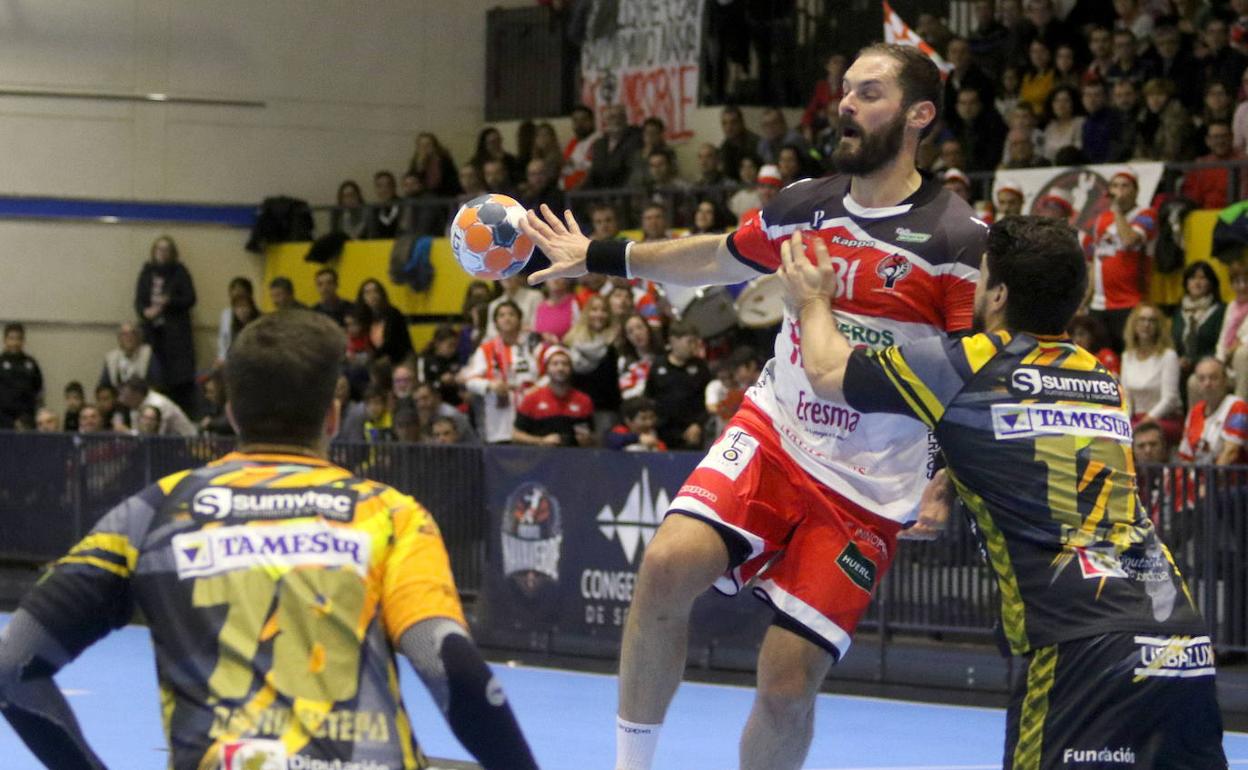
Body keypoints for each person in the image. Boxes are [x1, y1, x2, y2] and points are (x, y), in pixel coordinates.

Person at [520, 43, 988, 770]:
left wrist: (941, 479)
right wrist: (602, 254)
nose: (847, 105)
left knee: (786, 685)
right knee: (666, 566)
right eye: (845, 91)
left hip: (868, 486)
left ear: (919, 114)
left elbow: (970, 372)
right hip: (776, 434)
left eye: (869, 93)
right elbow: (714, 258)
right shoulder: (806, 204)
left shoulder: (958, 240)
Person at [776, 215, 1225, 769]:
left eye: (982, 276)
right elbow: (1029, 445)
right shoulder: (1100, 381)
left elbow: (825, 370)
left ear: (1000, 295)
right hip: (1181, 643)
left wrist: (814, 300)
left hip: (1077, 646)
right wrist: (944, 483)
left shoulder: (964, 364)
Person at [0, 310, 539, 770]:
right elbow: (450, 665)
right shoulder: (390, 515)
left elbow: (13, 666)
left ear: (231, 411)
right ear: (332, 412)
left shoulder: (150, 512)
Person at [1082, 169, 1156, 353]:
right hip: (1099, 305)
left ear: (1136, 191)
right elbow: (1095, 263)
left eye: (1125, 185)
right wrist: (1084, 301)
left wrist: (1116, 210)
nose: (1119, 190)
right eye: (1115, 186)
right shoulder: (1101, 220)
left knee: (1127, 356)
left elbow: (1129, 240)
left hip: (1130, 303)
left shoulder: (1147, 214)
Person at [133, 235, 197, 413]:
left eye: (166, 249)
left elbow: (190, 299)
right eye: (159, 249)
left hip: (176, 338)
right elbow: (139, 300)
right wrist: (145, 312)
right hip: (152, 334)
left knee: (177, 382)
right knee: (154, 378)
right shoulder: (147, 272)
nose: (162, 253)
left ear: (173, 253)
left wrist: (168, 302)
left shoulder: (180, 271)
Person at [459, 301, 537, 444]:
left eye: (511, 314)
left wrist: (536, 389)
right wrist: (490, 385)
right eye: (502, 315)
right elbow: (470, 380)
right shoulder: (486, 349)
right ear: (495, 322)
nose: (507, 318)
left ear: (519, 319)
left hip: (531, 409)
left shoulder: (531, 345)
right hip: (500, 415)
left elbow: (545, 374)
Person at [1119, 303, 1184, 441]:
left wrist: (1146, 421)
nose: (1146, 324)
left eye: (1152, 321)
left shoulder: (1168, 356)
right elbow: (1127, 397)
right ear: (1134, 325)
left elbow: (1170, 399)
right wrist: (1125, 420)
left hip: (1164, 419)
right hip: (1137, 418)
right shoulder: (1127, 356)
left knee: (1142, 435)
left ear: (1158, 327)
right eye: (1142, 320)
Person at [513, 346, 596, 447]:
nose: (560, 368)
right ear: (546, 368)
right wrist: (541, 441)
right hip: (540, 459)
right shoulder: (531, 399)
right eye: (555, 364)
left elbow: (592, 437)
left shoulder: (584, 401)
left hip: (573, 459)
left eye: (565, 364)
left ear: (571, 369)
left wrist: (587, 441)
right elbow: (516, 435)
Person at [1173, 261, 1226, 406]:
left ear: (1211, 283)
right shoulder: (1179, 313)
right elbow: (1173, 344)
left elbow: (1221, 344)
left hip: (1210, 366)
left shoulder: (1221, 311)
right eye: (1193, 278)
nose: (1197, 282)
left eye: (1202, 278)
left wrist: (1193, 361)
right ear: (1186, 283)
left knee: (1193, 381)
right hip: (1181, 367)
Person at [1178, 356, 1248, 465]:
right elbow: (1186, 457)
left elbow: (1231, 453)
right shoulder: (1195, 412)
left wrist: (1208, 481)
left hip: (1231, 479)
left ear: (1225, 380)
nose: (1207, 383)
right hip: (1201, 476)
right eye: (1202, 379)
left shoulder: (1237, 406)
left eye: (1213, 378)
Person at [356, 278, 414, 365]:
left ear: (382, 294)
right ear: (362, 298)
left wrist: (371, 357)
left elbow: (392, 345)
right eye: (367, 292)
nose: (372, 295)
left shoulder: (393, 314)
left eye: (375, 291)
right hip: (379, 363)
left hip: (400, 360)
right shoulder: (364, 318)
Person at [116, 377, 196, 438]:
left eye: (124, 395)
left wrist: (127, 432)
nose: (121, 400)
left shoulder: (158, 405)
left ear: (137, 394)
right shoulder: (134, 406)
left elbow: (157, 437)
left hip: (186, 442)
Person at [0, 322, 43, 430]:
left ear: (23, 341)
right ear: (5, 340)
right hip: (3, 418)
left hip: (27, 418)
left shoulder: (31, 363)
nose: (15, 342)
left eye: (18, 339)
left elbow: (38, 389)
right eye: (11, 338)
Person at [99, 321, 161, 392]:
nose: (129, 337)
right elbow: (103, 386)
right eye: (124, 334)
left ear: (138, 337)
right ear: (119, 339)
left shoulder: (147, 354)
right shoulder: (111, 357)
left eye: (132, 333)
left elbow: (157, 383)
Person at [214, 276, 259, 369]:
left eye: (240, 293)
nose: (236, 295)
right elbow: (223, 339)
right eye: (233, 293)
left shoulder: (259, 317)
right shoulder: (226, 314)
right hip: (231, 360)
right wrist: (221, 358)